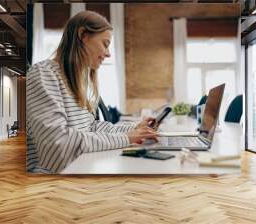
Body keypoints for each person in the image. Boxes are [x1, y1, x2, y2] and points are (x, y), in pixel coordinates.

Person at [26, 11, 158, 173]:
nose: (108, 53)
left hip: (81, 169)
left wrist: (135, 129)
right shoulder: (43, 74)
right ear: (82, 35)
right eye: (105, 43)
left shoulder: (82, 80)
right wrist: (126, 138)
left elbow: (91, 127)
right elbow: (57, 145)